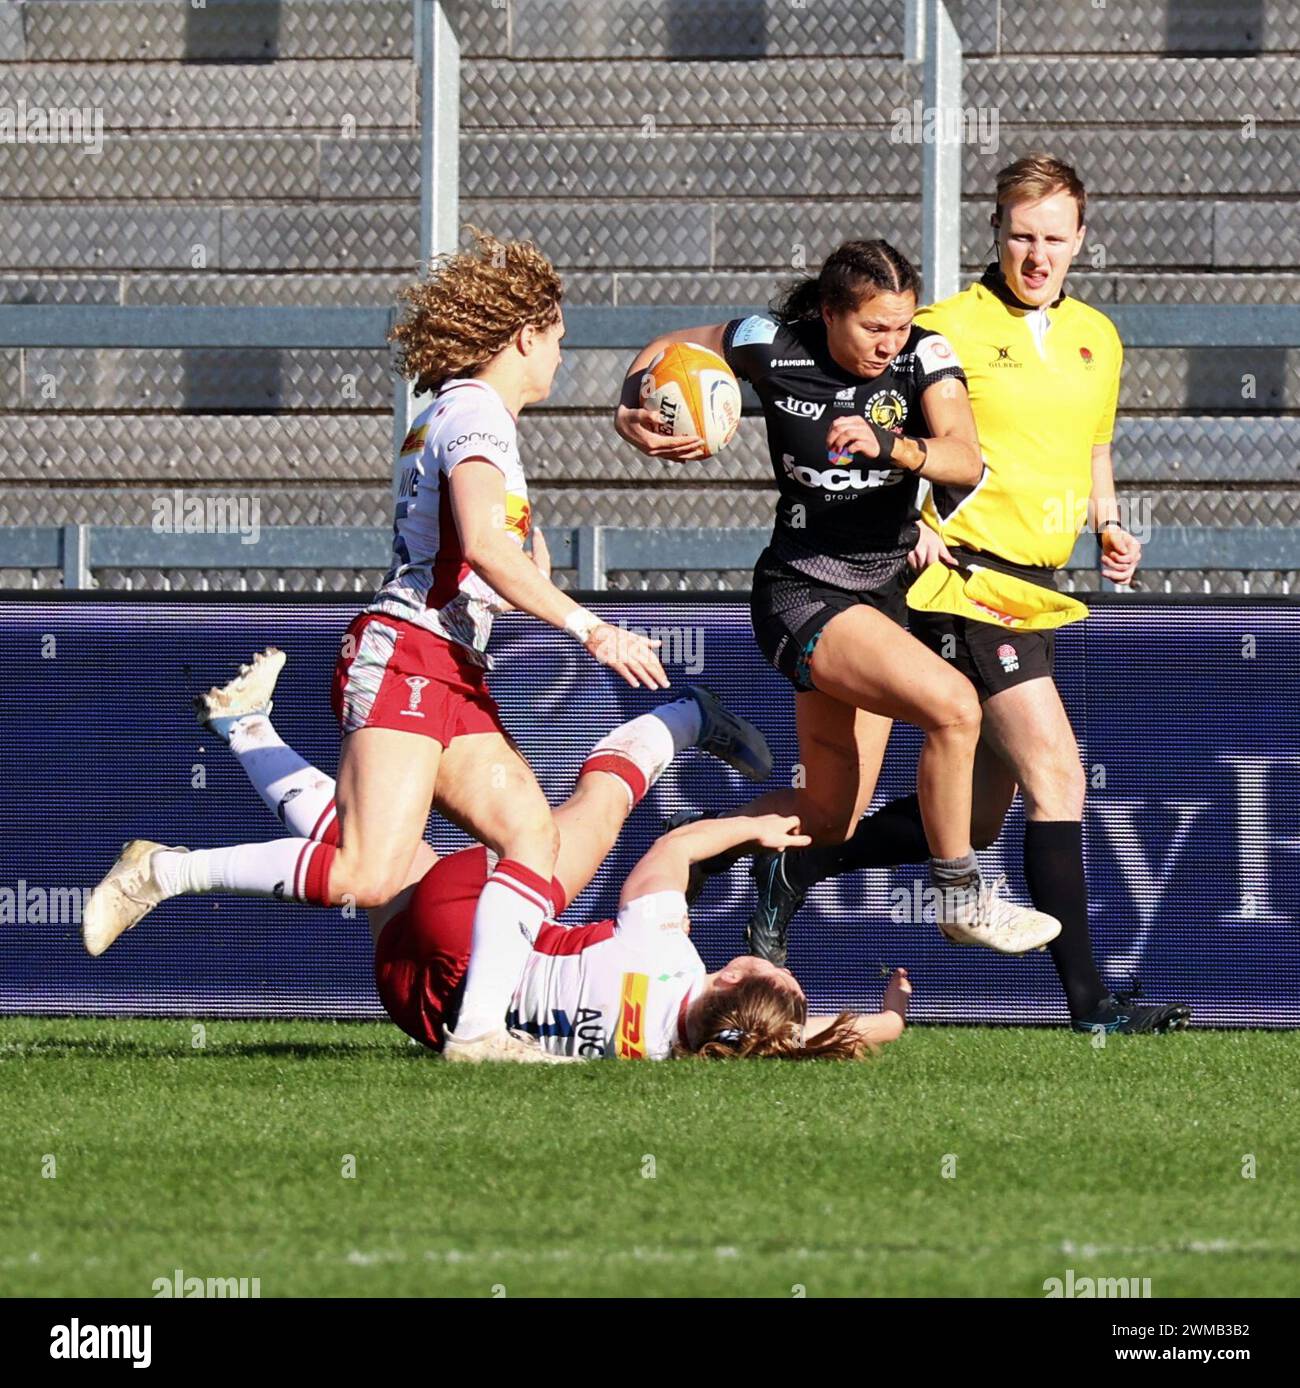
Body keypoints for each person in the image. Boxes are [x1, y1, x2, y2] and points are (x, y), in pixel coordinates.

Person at [83, 230, 672, 1062]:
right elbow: (488, 549)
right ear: (526, 336)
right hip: (407, 658)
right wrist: (590, 627)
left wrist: (523, 561)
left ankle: (477, 1035)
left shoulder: (466, 414)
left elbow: (491, 553)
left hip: (447, 668)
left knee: (532, 839)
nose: (562, 356)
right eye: (561, 338)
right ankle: (162, 872)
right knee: (368, 870)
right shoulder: (475, 415)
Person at [745, 156, 1191, 1035]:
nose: (1037, 254)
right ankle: (1092, 1007)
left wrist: (1106, 521)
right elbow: (887, 424)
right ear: (996, 231)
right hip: (965, 582)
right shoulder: (940, 328)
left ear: (1080, 241)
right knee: (1057, 769)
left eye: (1054, 238)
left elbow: (1092, 446)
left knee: (980, 819)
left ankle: (798, 867)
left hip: (1040, 585)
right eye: (1022, 235)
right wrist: (912, 512)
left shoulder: (1098, 336)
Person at [84, 649, 909, 1061]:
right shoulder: (693, 1055)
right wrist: (891, 1017)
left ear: (731, 981)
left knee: (589, 812)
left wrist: (749, 830)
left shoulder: (669, 961)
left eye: (773, 971)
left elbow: (673, 848)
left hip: (476, 941)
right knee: (377, 859)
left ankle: (686, 718)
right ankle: (245, 728)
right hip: (418, 1005)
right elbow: (812, 1041)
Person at [615, 239, 1060, 963]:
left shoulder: (923, 356)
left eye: (900, 325)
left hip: (880, 594)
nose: (891, 342)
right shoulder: (771, 345)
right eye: (873, 328)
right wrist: (630, 408)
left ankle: (688, 851)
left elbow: (965, 457)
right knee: (954, 707)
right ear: (828, 314)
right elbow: (668, 345)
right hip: (801, 591)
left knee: (830, 817)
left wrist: (896, 448)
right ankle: (959, 894)